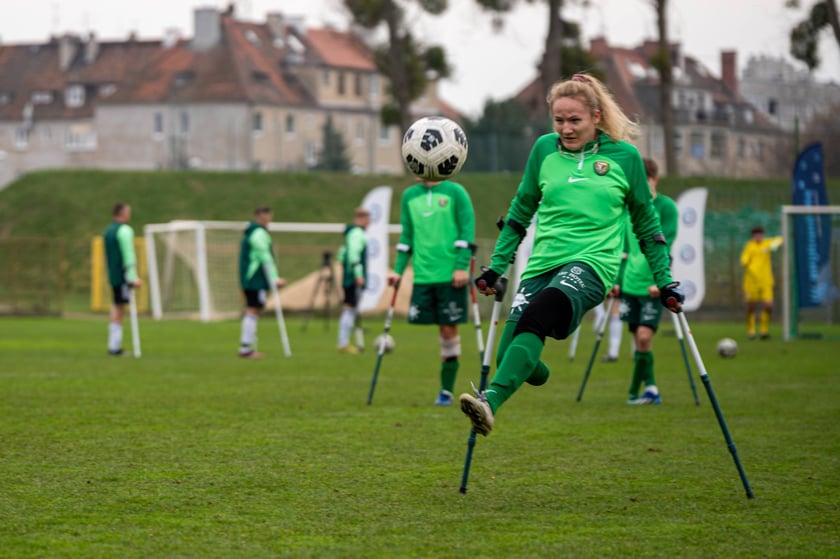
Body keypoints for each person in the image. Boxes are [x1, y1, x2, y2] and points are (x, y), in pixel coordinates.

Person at [459, 73, 684, 436]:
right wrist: (495, 269)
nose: (565, 128)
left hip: (593, 264)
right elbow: (520, 212)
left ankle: (489, 402)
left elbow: (647, 225)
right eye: (559, 120)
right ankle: (531, 366)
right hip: (542, 264)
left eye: (574, 120)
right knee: (509, 356)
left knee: (537, 316)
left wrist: (665, 280)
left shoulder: (625, 158)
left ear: (596, 116)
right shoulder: (544, 150)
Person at [387, 176, 476, 406]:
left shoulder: (456, 191)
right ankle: (445, 388)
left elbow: (467, 230)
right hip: (423, 276)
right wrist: (397, 271)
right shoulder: (409, 195)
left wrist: (461, 266)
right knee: (437, 330)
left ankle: (446, 390)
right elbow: (407, 237)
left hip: (450, 276)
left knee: (448, 330)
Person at [613, 157, 678, 405]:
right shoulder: (628, 209)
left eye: (645, 181)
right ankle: (643, 389)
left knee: (643, 337)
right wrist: (617, 280)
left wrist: (660, 282)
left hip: (652, 286)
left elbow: (666, 246)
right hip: (630, 284)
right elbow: (623, 248)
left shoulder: (667, 208)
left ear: (654, 180)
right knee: (638, 341)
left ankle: (641, 390)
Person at [238, 206, 285, 358]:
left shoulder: (254, 232)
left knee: (254, 310)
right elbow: (265, 257)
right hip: (255, 278)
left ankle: (248, 346)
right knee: (253, 309)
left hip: (253, 278)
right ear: (259, 216)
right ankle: (246, 347)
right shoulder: (258, 233)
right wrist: (274, 277)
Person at [103, 202, 142, 356]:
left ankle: (113, 345)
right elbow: (128, 255)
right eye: (128, 212)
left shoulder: (108, 231)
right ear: (122, 213)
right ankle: (114, 347)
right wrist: (133, 277)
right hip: (123, 276)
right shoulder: (125, 231)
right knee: (120, 309)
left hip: (113, 275)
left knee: (117, 307)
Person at [337, 207, 371, 354]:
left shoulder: (350, 234)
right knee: (350, 308)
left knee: (350, 308)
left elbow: (341, 255)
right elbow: (353, 254)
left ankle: (345, 342)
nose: (369, 223)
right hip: (353, 277)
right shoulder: (357, 233)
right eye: (368, 219)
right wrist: (358, 273)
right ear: (361, 219)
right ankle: (343, 342)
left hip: (348, 276)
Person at [740, 225, 783, 340]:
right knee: (751, 307)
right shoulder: (749, 247)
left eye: (761, 235)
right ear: (753, 236)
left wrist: (779, 241)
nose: (759, 237)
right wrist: (748, 262)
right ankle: (751, 331)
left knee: (768, 305)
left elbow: (779, 240)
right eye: (756, 235)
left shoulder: (767, 244)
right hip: (751, 282)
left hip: (766, 281)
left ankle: (764, 331)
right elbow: (744, 260)